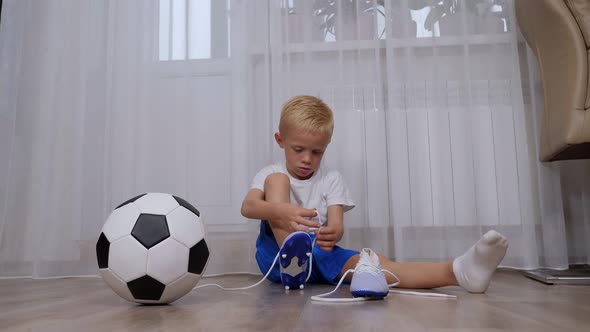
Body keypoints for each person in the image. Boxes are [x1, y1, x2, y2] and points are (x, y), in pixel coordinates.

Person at [240, 95, 509, 297]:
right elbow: (249, 207)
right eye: (298, 149)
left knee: (376, 263)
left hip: (318, 252)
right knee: (277, 181)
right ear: (280, 140)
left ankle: (459, 272)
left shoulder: (331, 179)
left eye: (317, 152)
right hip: (275, 257)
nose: (307, 159)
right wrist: (281, 212)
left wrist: (332, 233)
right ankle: (291, 255)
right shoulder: (271, 172)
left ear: (326, 146)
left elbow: (336, 225)